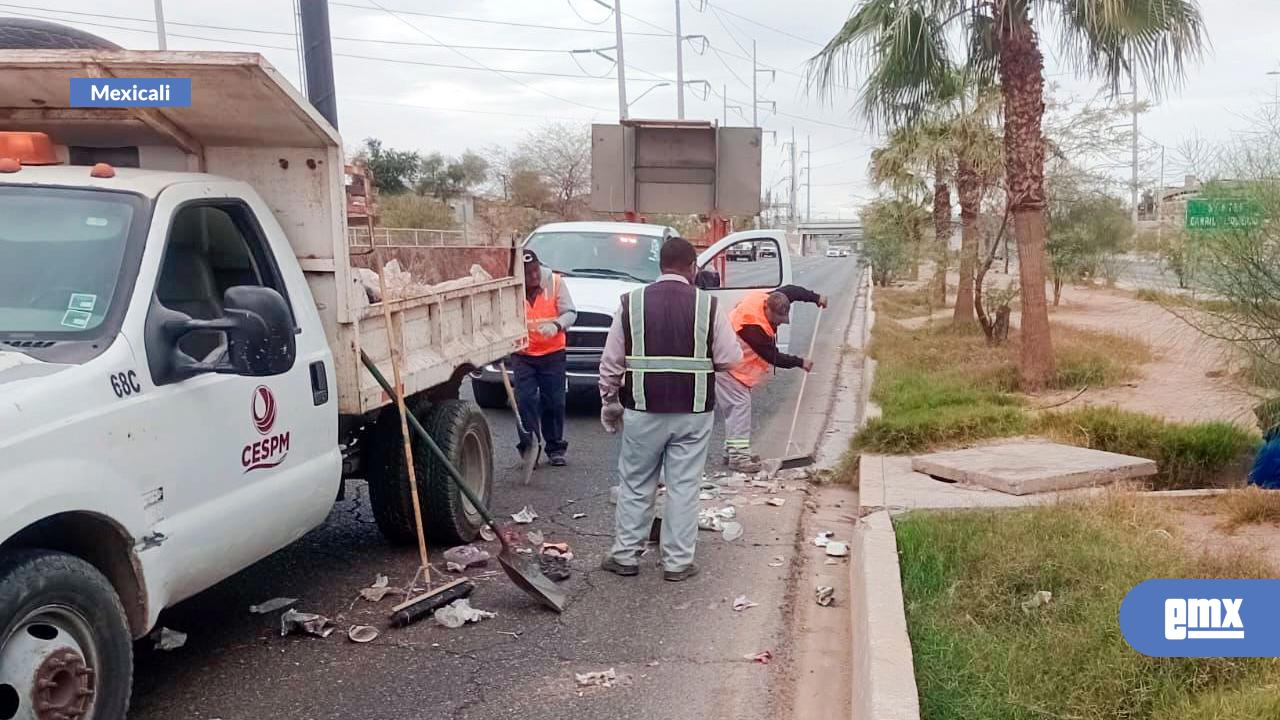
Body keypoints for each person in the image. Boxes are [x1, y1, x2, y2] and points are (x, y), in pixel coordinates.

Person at [598, 237, 743, 581]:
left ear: (660, 266)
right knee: (684, 487)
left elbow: (610, 362)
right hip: (692, 412)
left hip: (643, 410)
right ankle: (677, 563)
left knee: (636, 484)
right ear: (692, 267)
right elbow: (730, 358)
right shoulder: (707, 306)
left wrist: (609, 401)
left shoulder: (631, 303)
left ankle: (626, 557)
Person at [717, 285, 828, 472]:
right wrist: (800, 362)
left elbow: (793, 291)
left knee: (736, 411)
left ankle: (733, 452)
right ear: (768, 309)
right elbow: (773, 357)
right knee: (739, 409)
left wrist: (817, 297)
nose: (777, 325)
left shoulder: (770, 298)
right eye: (776, 321)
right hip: (728, 367)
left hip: (730, 364)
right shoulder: (753, 328)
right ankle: (738, 458)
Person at [511, 249, 576, 466]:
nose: (534, 276)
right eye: (528, 273)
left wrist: (557, 325)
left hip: (552, 353)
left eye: (536, 270)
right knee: (526, 401)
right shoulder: (512, 289)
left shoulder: (555, 282)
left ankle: (555, 447)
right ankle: (530, 447)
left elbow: (570, 312)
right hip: (523, 355)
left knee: (554, 401)